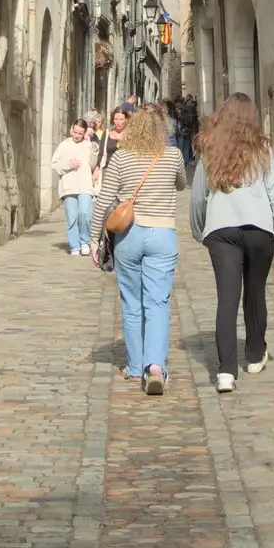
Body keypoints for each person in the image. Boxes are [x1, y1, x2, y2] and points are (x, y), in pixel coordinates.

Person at [190, 93, 274, 393]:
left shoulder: (210, 148)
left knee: (227, 298)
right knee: (255, 290)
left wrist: (199, 229)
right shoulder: (266, 150)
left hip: (222, 230)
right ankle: (255, 354)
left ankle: (225, 371)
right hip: (259, 228)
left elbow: (198, 196)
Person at [90, 102, 187, 394]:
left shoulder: (121, 158)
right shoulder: (173, 155)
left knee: (131, 302)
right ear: (160, 131)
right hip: (162, 234)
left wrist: (94, 239)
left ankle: (134, 368)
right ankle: (155, 366)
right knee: (157, 302)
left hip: (128, 236)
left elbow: (103, 200)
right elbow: (181, 185)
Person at [51, 119, 96, 257]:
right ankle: (74, 245)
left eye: (80, 133)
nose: (76, 135)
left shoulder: (89, 145)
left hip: (85, 185)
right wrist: (69, 164)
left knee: (85, 214)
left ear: (85, 134)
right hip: (69, 186)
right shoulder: (64, 145)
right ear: (71, 129)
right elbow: (55, 164)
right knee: (72, 217)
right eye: (75, 132)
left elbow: (93, 165)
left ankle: (85, 242)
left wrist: (94, 152)